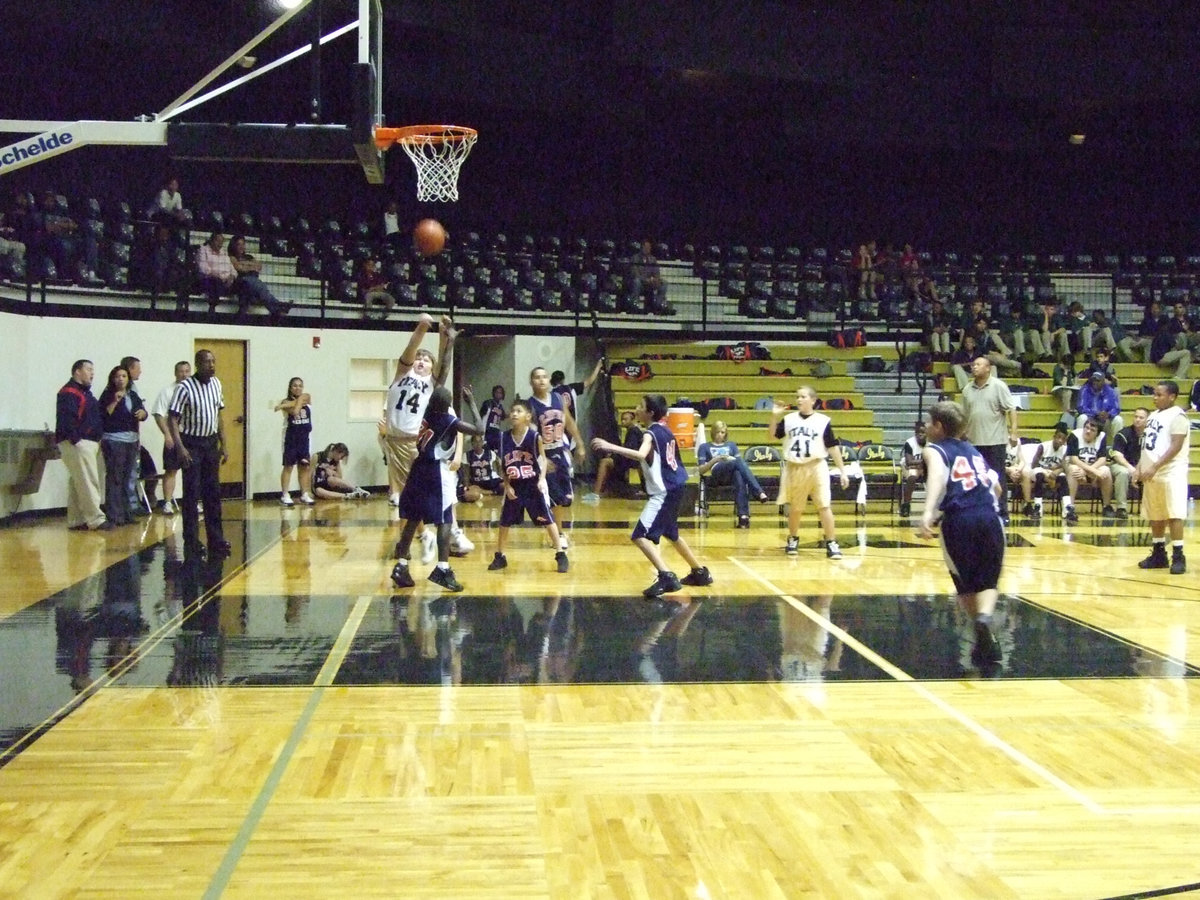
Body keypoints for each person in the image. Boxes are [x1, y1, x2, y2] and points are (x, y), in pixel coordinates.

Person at [590, 394, 712, 597]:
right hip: (676, 487)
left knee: (639, 535)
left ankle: (666, 576)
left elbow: (639, 455)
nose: (636, 409)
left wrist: (609, 446)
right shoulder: (666, 430)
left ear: (650, 412)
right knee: (671, 533)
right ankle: (699, 572)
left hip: (663, 492)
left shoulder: (650, 434)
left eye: (640, 406)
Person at [916, 400, 1005, 673]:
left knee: (965, 584)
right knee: (988, 580)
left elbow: (939, 478)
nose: (926, 427)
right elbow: (997, 488)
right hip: (990, 518)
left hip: (959, 521)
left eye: (930, 423)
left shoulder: (933, 449)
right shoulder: (974, 451)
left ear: (939, 427)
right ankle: (984, 618)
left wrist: (928, 511)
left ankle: (978, 624)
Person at [383, 313, 463, 562]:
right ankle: (424, 536)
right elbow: (409, 349)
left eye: (426, 360)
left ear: (432, 366)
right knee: (407, 496)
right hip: (393, 441)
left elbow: (443, 367)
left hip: (413, 442)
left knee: (418, 493)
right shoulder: (401, 375)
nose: (420, 360)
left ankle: (441, 534)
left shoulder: (433, 385)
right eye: (419, 358)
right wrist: (420, 328)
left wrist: (442, 336)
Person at [390, 387, 479, 593]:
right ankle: (442, 569)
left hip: (417, 468)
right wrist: (471, 402)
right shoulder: (449, 421)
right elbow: (480, 429)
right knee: (445, 518)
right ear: (448, 405)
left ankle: (401, 566)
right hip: (436, 470)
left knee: (413, 519)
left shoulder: (426, 414)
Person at [487, 400, 570, 574]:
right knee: (504, 522)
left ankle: (560, 554)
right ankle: (500, 556)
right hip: (515, 484)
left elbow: (543, 461)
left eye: (518, 411)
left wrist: (541, 479)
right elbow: (503, 464)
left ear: (528, 416)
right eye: (512, 411)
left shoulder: (534, 437)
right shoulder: (503, 437)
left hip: (533, 484)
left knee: (547, 519)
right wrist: (507, 484)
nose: (514, 414)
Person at [769, 385, 851, 559]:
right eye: (797, 396)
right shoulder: (789, 419)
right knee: (796, 508)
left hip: (817, 465)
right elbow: (772, 436)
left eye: (803, 396)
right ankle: (793, 538)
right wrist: (774, 417)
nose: (799, 399)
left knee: (824, 505)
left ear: (813, 400)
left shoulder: (823, 421)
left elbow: (833, 447)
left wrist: (843, 471)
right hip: (795, 467)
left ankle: (831, 542)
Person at [167, 349, 230, 558]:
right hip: (191, 443)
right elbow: (172, 419)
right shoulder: (185, 387)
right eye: (207, 362)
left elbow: (219, 416)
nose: (211, 365)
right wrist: (180, 447)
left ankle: (216, 539)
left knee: (213, 494)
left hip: (210, 443)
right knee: (192, 495)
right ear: (197, 364)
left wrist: (225, 444)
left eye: (213, 361)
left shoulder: (216, 384)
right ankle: (191, 541)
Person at [528, 366, 586, 549]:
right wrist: (542, 458)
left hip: (561, 451)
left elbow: (568, 421)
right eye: (537, 377)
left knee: (565, 498)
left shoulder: (558, 398)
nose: (542, 380)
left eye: (544, 376)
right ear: (532, 382)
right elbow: (532, 435)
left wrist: (580, 444)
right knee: (552, 497)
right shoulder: (530, 404)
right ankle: (558, 534)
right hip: (545, 454)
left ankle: (556, 530)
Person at [1137, 381, 1190, 574]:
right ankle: (1159, 553)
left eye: (1159, 395)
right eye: (1154, 394)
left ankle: (1178, 554)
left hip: (1171, 472)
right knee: (1155, 514)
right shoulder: (1154, 416)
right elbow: (1148, 446)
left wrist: (1155, 466)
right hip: (1152, 472)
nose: (1155, 398)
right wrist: (1139, 466)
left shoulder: (1178, 416)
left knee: (1174, 513)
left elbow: (1175, 447)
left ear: (1172, 396)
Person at [960, 356, 1018, 520]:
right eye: (973, 365)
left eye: (978, 365)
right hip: (973, 442)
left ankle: (1002, 512)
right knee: (974, 478)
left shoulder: (999, 386)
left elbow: (1011, 409)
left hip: (995, 441)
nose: (974, 367)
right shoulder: (966, 390)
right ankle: (977, 510)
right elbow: (964, 416)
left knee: (998, 477)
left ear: (988, 368)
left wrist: (1013, 432)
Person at [55, 359, 110, 531]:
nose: (92, 373)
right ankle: (96, 519)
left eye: (93, 370)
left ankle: (77, 519)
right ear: (77, 372)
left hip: (86, 442)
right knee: (88, 480)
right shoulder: (70, 392)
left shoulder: (84, 393)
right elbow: (67, 419)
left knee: (78, 481)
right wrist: (76, 440)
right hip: (79, 442)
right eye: (88, 369)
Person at [694, 420, 768, 527]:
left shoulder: (731, 445)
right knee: (738, 461)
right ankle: (758, 491)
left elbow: (738, 464)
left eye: (722, 432)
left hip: (731, 473)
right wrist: (716, 459)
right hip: (716, 473)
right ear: (713, 432)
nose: (720, 435)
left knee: (739, 475)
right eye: (718, 432)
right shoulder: (705, 447)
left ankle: (743, 516)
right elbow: (701, 470)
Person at [98, 365, 144, 527]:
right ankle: (114, 514)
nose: (121, 379)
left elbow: (142, 411)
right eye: (118, 376)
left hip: (131, 440)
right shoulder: (107, 395)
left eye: (124, 376)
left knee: (128, 477)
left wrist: (142, 414)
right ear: (113, 379)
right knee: (115, 477)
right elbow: (103, 415)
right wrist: (115, 402)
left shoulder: (132, 395)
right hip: (114, 440)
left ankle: (127, 512)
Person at [150, 360, 191, 515]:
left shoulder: (194, 390)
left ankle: (192, 503)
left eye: (187, 371)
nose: (184, 374)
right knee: (171, 470)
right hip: (174, 437)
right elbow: (158, 414)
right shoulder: (167, 391)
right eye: (181, 371)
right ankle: (167, 503)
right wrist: (167, 435)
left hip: (191, 437)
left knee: (192, 472)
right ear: (175, 373)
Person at [585, 410, 645, 501]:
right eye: (622, 419)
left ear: (632, 420)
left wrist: (614, 453)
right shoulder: (633, 430)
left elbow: (630, 449)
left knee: (605, 462)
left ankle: (596, 493)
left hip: (632, 459)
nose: (623, 422)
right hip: (632, 459)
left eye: (626, 419)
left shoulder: (633, 431)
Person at [117, 355, 150, 517]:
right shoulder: (115, 391)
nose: (141, 371)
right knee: (124, 474)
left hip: (133, 437)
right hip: (119, 439)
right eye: (138, 368)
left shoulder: (133, 390)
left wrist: (143, 413)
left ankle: (132, 503)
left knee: (134, 471)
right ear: (130, 369)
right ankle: (127, 505)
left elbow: (141, 409)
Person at [274, 376, 314, 506]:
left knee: (304, 466)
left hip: (305, 438)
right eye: (295, 386)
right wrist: (288, 404)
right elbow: (295, 411)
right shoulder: (286, 400)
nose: (298, 388)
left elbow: (304, 399)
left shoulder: (306, 397)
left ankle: (304, 494)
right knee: (289, 466)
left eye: (300, 385)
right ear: (290, 388)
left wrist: (281, 406)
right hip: (291, 438)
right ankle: (285, 494)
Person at [1066, 418, 1114, 518]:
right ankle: (1070, 507)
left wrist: (1090, 470)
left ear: (1097, 433)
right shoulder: (1075, 435)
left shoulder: (1102, 437)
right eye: (1086, 428)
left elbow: (1102, 459)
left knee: (1106, 471)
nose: (1088, 431)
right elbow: (1073, 459)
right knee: (1073, 470)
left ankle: (1106, 506)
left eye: (1092, 430)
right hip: (1078, 467)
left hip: (1092, 468)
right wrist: (1089, 471)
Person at [227, 234, 285, 317]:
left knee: (259, 286)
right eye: (239, 244)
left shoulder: (249, 256)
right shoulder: (232, 257)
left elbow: (258, 266)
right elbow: (238, 267)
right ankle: (278, 307)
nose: (241, 246)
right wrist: (250, 266)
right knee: (258, 285)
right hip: (242, 281)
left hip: (253, 281)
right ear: (234, 246)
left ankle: (277, 310)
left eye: (243, 244)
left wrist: (245, 265)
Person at [1110, 407, 1148, 520]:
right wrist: (1131, 469)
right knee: (1123, 472)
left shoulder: (1151, 435)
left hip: (1143, 467)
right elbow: (1117, 455)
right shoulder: (1123, 433)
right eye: (1136, 417)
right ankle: (1121, 508)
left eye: (1141, 417)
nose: (1137, 419)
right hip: (1122, 465)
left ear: (1147, 420)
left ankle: (1154, 508)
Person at [1076, 370, 1124, 443]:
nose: (1095, 382)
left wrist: (1109, 414)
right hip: (1090, 418)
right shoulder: (1085, 389)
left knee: (1118, 420)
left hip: (1106, 420)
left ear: (1103, 381)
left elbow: (1116, 409)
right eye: (1093, 380)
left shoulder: (1110, 391)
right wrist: (1096, 413)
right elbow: (1081, 407)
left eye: (1098, 381)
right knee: (1082, 417)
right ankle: (1079, 445)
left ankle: (1117, 447)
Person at [629, 240, 672, 314]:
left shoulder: (653, 259)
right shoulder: (635, 258)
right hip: (641, 283)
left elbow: (656, 272)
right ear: (642, 248)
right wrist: (646, 280)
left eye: (649, 247)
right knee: (636, 281)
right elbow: (635, 273)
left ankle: (657, 305)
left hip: (651, 283)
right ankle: (634, 305)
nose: (647, 249)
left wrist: (655, 279)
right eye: (645, 247)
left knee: (664, 283)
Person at [195, 232, 238, 307]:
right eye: (218, 241)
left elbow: (233, 269)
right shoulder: (203, 250)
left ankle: (242, 313)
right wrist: (218, 276)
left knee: (244, 284)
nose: (220, 244)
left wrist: (231, 276)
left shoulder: (223, 252)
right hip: (210, 280)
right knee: (215, 282)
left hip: (226, 282)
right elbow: (202, 267)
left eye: (221, 242)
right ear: (212, 241)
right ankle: (212, 310)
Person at [899, 419, 927, 517]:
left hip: (922, 468)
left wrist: (922, 465)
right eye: (917, 432)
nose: (919, 434)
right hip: (908, 467)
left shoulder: (931, 443)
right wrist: (924, 463)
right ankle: (906, 505)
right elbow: (909, 462)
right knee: (912, 476)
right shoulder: (910, 442)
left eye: (922, 432)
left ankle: (935, 508)